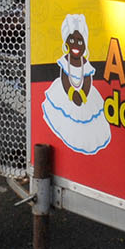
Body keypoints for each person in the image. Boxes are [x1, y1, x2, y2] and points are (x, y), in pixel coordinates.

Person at [40, 12, 110, 154]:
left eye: (80, 41)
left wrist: (83, 94)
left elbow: (88, 80)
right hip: (66, 93)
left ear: (85, 45)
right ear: (66, 42)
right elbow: (65, 78)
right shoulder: (66, 60)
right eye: (71, 41)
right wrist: (71, 92)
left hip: (84, 97)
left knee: (87, 122)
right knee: (68, 120)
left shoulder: (85, 64)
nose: (75, 45)